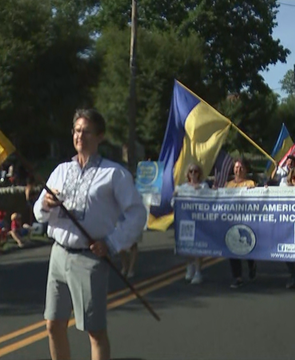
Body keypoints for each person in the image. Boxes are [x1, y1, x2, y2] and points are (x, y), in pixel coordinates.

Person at [34, 109, 147, 360]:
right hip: (59, 254)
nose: (79, 135)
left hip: (89, 260)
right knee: (53, 325)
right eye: (76, 130)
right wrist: (46, 204)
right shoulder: (61, 170)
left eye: (86, 131)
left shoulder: (114, 174)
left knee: (94, 332)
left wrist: (112, 243)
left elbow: (137, 213)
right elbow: (38, 211)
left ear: (100, 136)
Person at [174, 163, 209, 285]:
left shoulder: (204, 186)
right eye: (191, 171)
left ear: (199, 173)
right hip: (186, 221)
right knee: (187, 246)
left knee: (199, 247)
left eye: (196, 171)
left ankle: (198, 272)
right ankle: (190, 266)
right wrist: (175, 197)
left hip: (200, 221)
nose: (193, 174)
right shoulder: (182, 188)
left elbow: (210, 201)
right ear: (187, 174)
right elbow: (173, 205)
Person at [225, 158, 257, 289]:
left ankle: (252, 263)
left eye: (241, 167)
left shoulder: (250, 183)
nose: (238, 170)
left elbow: (258, 198)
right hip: (233, 220)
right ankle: (237, 277)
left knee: (247, 246)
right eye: (236, 167)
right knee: (232, 248)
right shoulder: (228, 185)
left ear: (245, 170)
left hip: (247, 220)